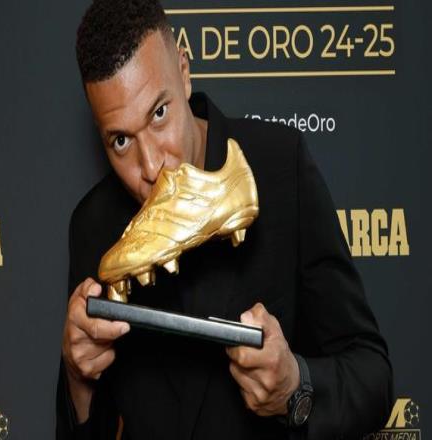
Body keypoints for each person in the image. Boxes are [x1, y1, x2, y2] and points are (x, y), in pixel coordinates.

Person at [56, 1, 393, 439]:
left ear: (184, 72)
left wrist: (295, 387)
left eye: (159, 114)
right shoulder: (94, 224)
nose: (152, 165)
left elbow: (373, 377)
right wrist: (79, 378)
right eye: (121, 141)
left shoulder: (279, 166)